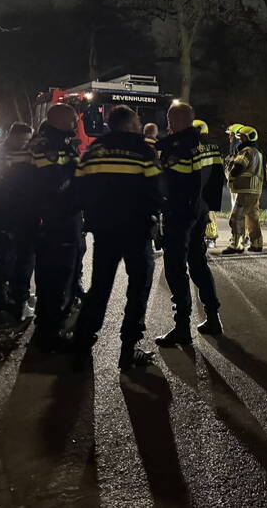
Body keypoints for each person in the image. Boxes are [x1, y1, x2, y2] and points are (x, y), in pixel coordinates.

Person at [72, 105, 163, 371]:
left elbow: (79, 187)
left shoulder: (95, 149)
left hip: (105, 229)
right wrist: (155, 215)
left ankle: (82, 342)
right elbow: (156, 189)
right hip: (136, 229)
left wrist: (91, 215)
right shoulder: (143, 150)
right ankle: (128, 348)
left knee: (100, 286)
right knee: (138, 289)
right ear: (131, 124)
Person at [155, 103, 225, 347]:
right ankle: (213, 317)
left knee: (175, 268)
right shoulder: (210, 146)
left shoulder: (178, 149)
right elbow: (218, 179)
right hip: (200, 213)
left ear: (172, 121)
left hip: (180, 215)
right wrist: (206, 207)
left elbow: (168, 184)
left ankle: (182, 327)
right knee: (198, 263)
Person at [17, 105, 85, 349]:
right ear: (62, 120)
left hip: (62, 218)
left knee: (58, 274)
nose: (76, 123)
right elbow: (54, 184)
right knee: (57, 275)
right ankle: (51, 332)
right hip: (58, 220)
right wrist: (79, 177)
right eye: (73, 120)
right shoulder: (47, 146)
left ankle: (50, 325)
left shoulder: (55, 141)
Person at [0, 122, 33, 316]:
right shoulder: (0, 156)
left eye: (29, 140)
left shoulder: (18, 153)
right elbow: (0, 188)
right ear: (12, 136)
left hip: (15, 214)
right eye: (24, 140)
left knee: (15, 257)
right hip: (5, 213)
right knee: (4, 258)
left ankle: (9, 296)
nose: (26, 143)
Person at [223, 125, 264, 254]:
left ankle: (236, 244)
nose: (240, 140)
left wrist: (230, 167)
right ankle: (256, 243)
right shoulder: (257, 152)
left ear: (246, 137)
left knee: (236, 217)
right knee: (252, 218)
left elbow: (238, 168)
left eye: (242, 137)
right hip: (255, 190)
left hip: (246, 189)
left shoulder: (246, 151)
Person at [193, 120, 220, 248]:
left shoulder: (197, 144)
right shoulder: (212, 145)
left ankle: (210, 237)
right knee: (208, 210)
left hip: (201, 181)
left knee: (206, 210)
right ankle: (210, 237)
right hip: (208, 181)